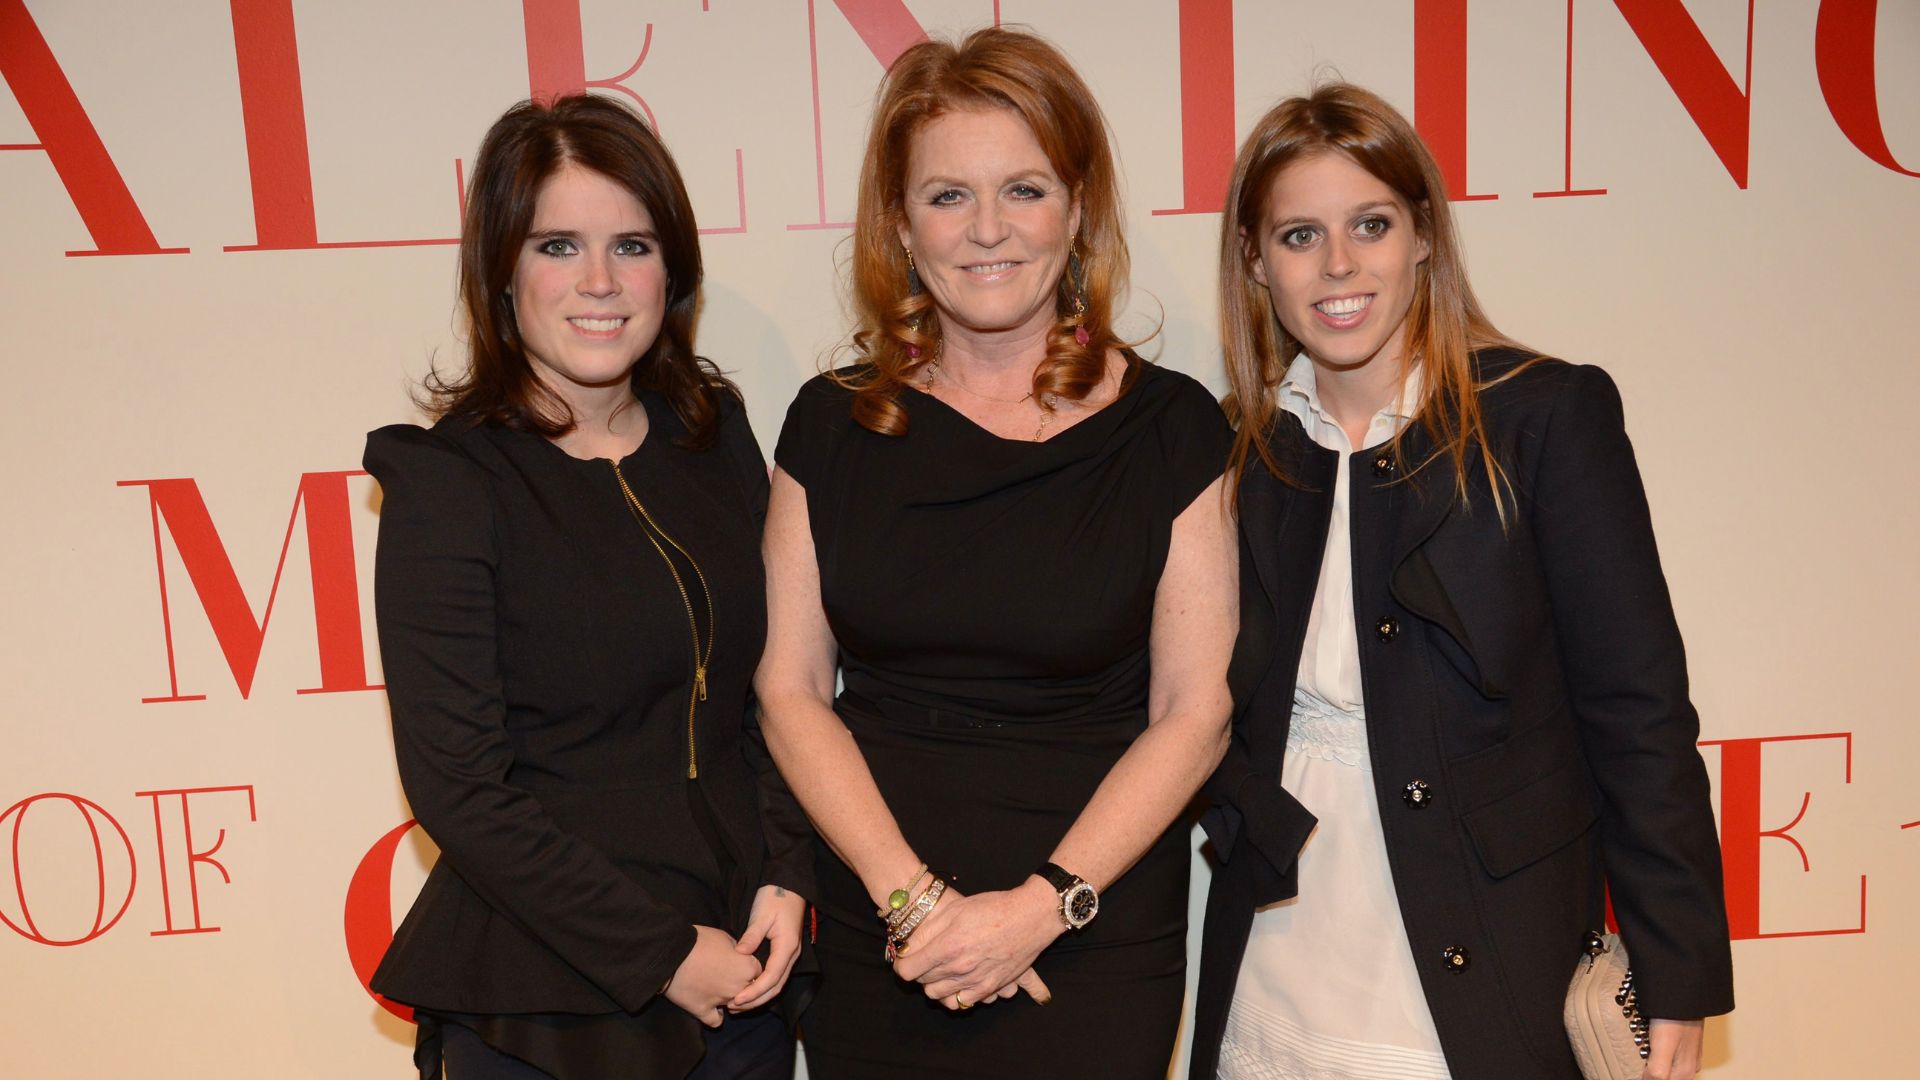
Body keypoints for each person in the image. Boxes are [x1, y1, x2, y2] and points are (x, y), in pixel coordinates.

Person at [1192, 83, 1734, 1080]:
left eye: (1371, 223)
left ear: (1426, 236)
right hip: (1276, 952)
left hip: (1483, 947)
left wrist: (1677, 970)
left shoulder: (1542, 418)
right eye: (1300, 234)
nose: (1340, 263)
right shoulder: (1241, 451)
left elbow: (1637, 709)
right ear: (1254, 261)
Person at [753, 27, 1238, 1080]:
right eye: (947, 196)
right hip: (881, 933)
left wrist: (1041, 907)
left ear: (1077, 210)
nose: (987, 231)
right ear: (899, 223)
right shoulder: (829, 427)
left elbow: (1194, 714)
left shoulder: (1174, 430)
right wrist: (916, 904)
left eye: (1023, 190)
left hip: (1092, 942)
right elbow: (789, 689)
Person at [364, 93, 811, 1080]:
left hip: (740, 983)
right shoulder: (452, 485)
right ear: (502, 272)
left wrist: (787, 873)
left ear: (674, 267)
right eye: (558, 246)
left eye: (633, 245)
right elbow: (461, 789)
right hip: (548, 1009)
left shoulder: (713, 436)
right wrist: (658, 954)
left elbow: (766, 690)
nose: (601, 283)